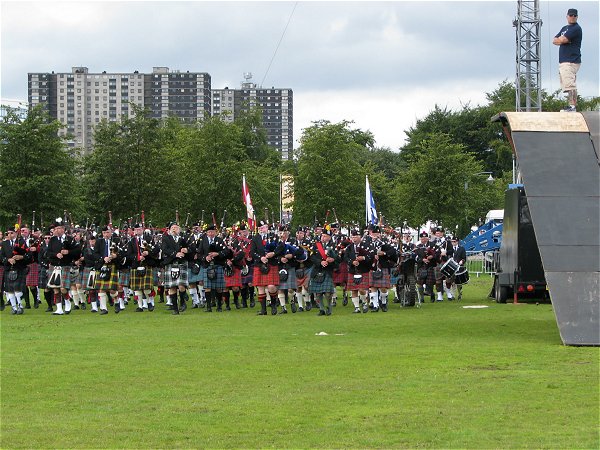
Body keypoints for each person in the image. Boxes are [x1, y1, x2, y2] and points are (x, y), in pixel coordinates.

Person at [553, 8, 582, 112]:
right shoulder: (564, 28)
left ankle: (572, 106)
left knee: (570, 84)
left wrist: (562, 40)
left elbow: (563, 39)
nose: (572, 17)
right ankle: (570, 105)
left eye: (574, 15)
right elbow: (554, 40)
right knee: (566, 84)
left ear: (577, 17)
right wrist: (562, 40)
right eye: (571, 15)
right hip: (564, 60)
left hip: (571, 60)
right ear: (567, 16)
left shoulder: (576, 28)